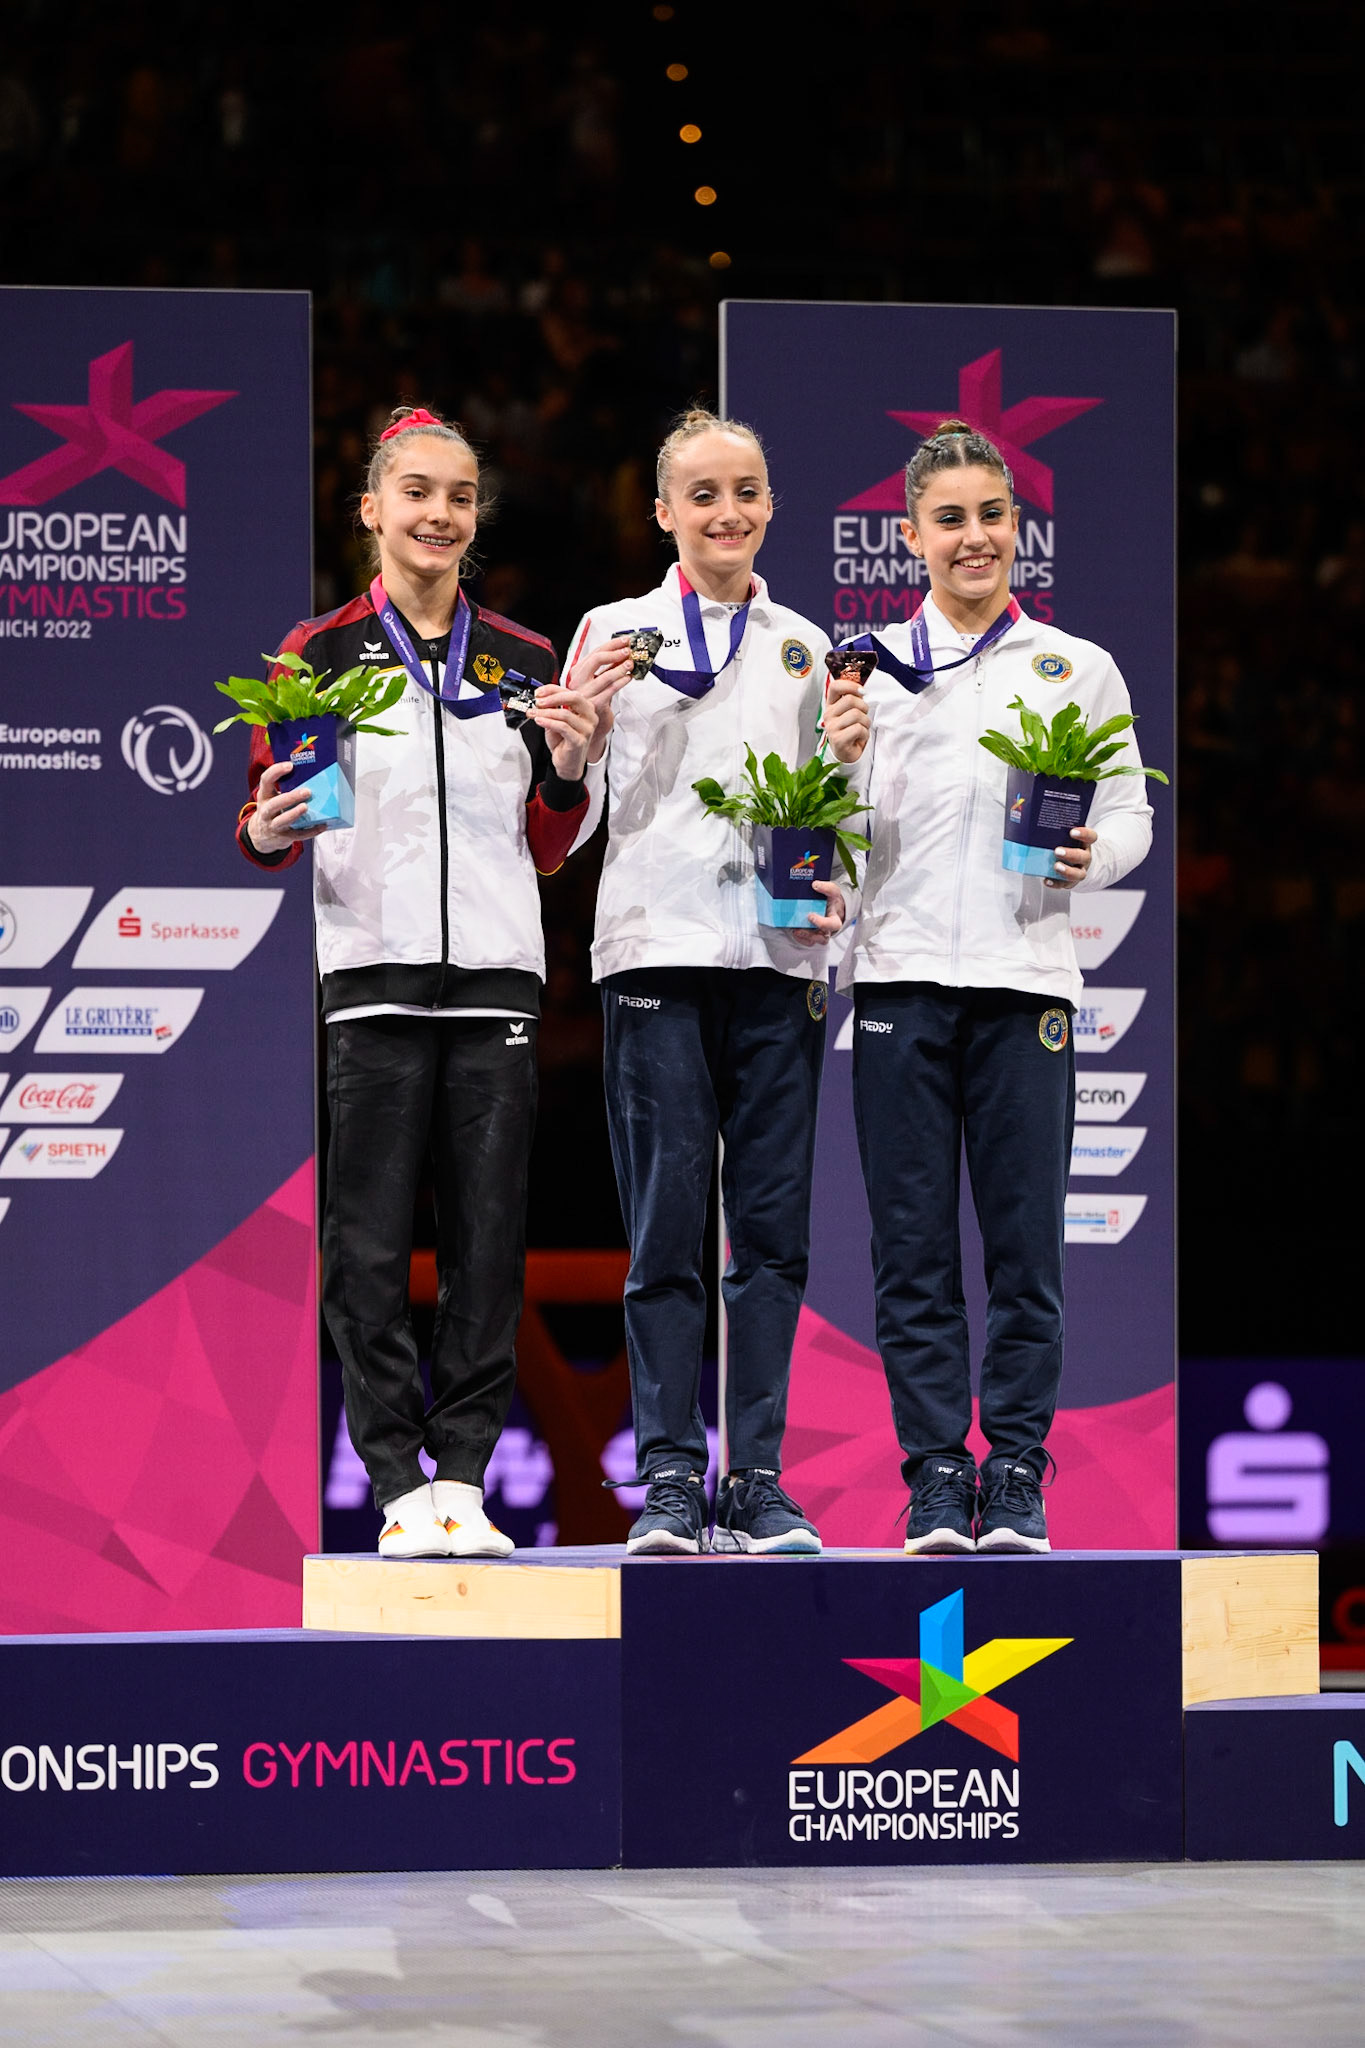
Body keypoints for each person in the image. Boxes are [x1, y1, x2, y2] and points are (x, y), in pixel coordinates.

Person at [236, 405, 604, 1560]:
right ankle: (396, 1479)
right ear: (373, 510)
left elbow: (549, 841)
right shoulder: (316, 654)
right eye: (418, 493)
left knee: (491, 1241)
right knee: (366, 1241)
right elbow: (263, 823)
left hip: (495, 979)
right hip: (371, 974)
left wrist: (572, 769)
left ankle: (462, 1477)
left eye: (458, 496)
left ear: (473, 515)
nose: (439, 513)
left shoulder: (527, 659)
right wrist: (261, 828)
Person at [822, 418, 1154, 1554]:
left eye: (992, 515)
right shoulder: (864, 673)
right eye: (950, 518)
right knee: (910, 1249)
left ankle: (1014, 1467)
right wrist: (843, 759)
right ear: (911, 535)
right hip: (902, 985)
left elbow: (1129, 813)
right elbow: (843, 839)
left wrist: (1091, 860)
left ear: (1019, 526)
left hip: (1028, 985)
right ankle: (933, 1476)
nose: (975, 537)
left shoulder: (1078, 664)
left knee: (1026, 1249)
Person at [564, 409, 858, 1557]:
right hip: (653, 953)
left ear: (771, 503)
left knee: (772, 1235)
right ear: (663, 511)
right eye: (702, 494)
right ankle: (674, 1478)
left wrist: (844, 759)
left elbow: (835, 815)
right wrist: (572, 747)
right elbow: (575, 808)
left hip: (779, 960)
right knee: (665, 1228)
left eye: (745, 490)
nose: (725, 511)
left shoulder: (807, 642)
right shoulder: (613, 630)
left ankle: (764, 1478)